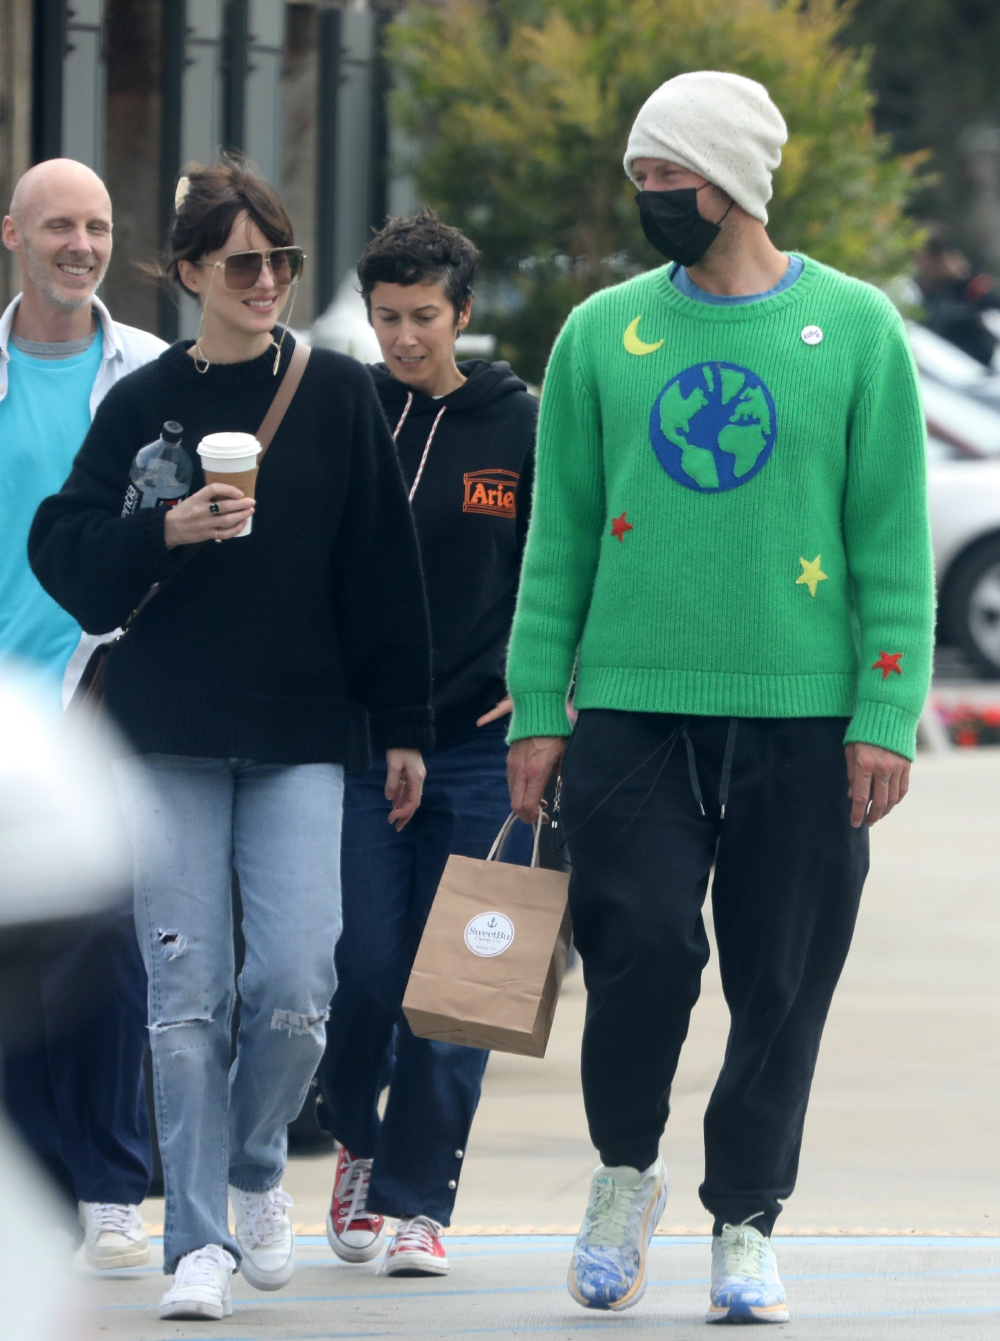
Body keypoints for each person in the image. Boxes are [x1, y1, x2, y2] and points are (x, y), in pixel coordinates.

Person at [505, 71, 934, 1324]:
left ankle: (745, 1222)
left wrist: (884, 713)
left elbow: (891, 543)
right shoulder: (600, 334)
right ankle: (624, 1174)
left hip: (804, 718)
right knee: (636, 945)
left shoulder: (854, 331)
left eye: (666, 178)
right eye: (638, 178)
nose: (647, 199)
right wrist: (540, 705)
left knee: (780, 978)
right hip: (632, 710)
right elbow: (559, 540)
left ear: (733, 180)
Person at [29, 155, 433, 1323]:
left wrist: (401, 727)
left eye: (283, 262)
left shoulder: (340, 394)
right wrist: (168, 530)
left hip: (303, 733)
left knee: (301, 981)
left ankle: (259, 1164)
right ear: (194, 270)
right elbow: (66, 556)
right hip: (165, 735)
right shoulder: (144, 402)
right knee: (185, 994)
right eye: (245, 263)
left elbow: (382, 580)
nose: (267, 281)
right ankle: (194, 1238)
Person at [316, 209, 537, 1277]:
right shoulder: (347, 410)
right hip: (360, 744)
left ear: (462, 312)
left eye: (424, 317)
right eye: (387, 317)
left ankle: (416, 1202)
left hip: (484, 751)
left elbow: (571, 567)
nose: (405, 339)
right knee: (362, 973)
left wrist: (555, 691)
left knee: (462, 992)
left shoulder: (520, 424)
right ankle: (357, 1139)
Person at [0, 158, 164, 1271]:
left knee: (104, 941)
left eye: (98, 226)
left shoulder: (148, 372)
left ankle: (110, 1187)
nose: (82, 244)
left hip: (105, 695)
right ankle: (40, 1185)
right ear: (13, 233)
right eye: (60, 224)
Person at [915, 223, 1000, 368]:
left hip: (975, 368)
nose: (920, 265)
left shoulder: (970, 284)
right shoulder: (923, 287)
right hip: (939, 365)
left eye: (923, 258)